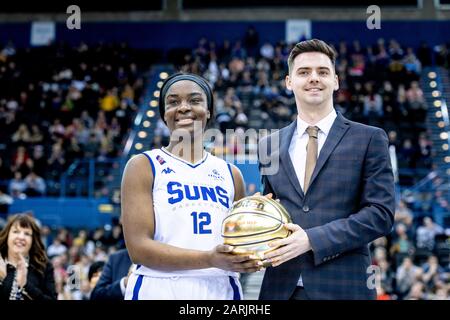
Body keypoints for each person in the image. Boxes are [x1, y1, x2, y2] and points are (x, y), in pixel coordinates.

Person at [257, 39, 395, 300]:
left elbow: (381, 214)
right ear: (289, 82)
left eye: (322, 72)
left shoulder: (369, 138)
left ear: (336, 81)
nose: (314, 78)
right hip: (280, 289)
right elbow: (272, 212)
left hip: (343, 287)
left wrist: (311, 239)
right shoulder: (269, 145)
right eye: (304, 72)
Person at [121, 73, 261, 300]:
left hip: (220, 287)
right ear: (164, 115)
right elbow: (139, 248)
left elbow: (239, 243)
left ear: (208, 111)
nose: (183, 108)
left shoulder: (231, 174)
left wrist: (262, 232)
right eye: (173, 102)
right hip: (159, 287)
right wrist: (208, 259)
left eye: (194, 100)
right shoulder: (143, 165)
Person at [0, 214, 57, 300]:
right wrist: (2, 280)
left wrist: (26, 285)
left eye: (27, 234)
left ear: (33, 240)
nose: (21, 237)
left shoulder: (44, 266)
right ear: (7, 235)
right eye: (16, 232)